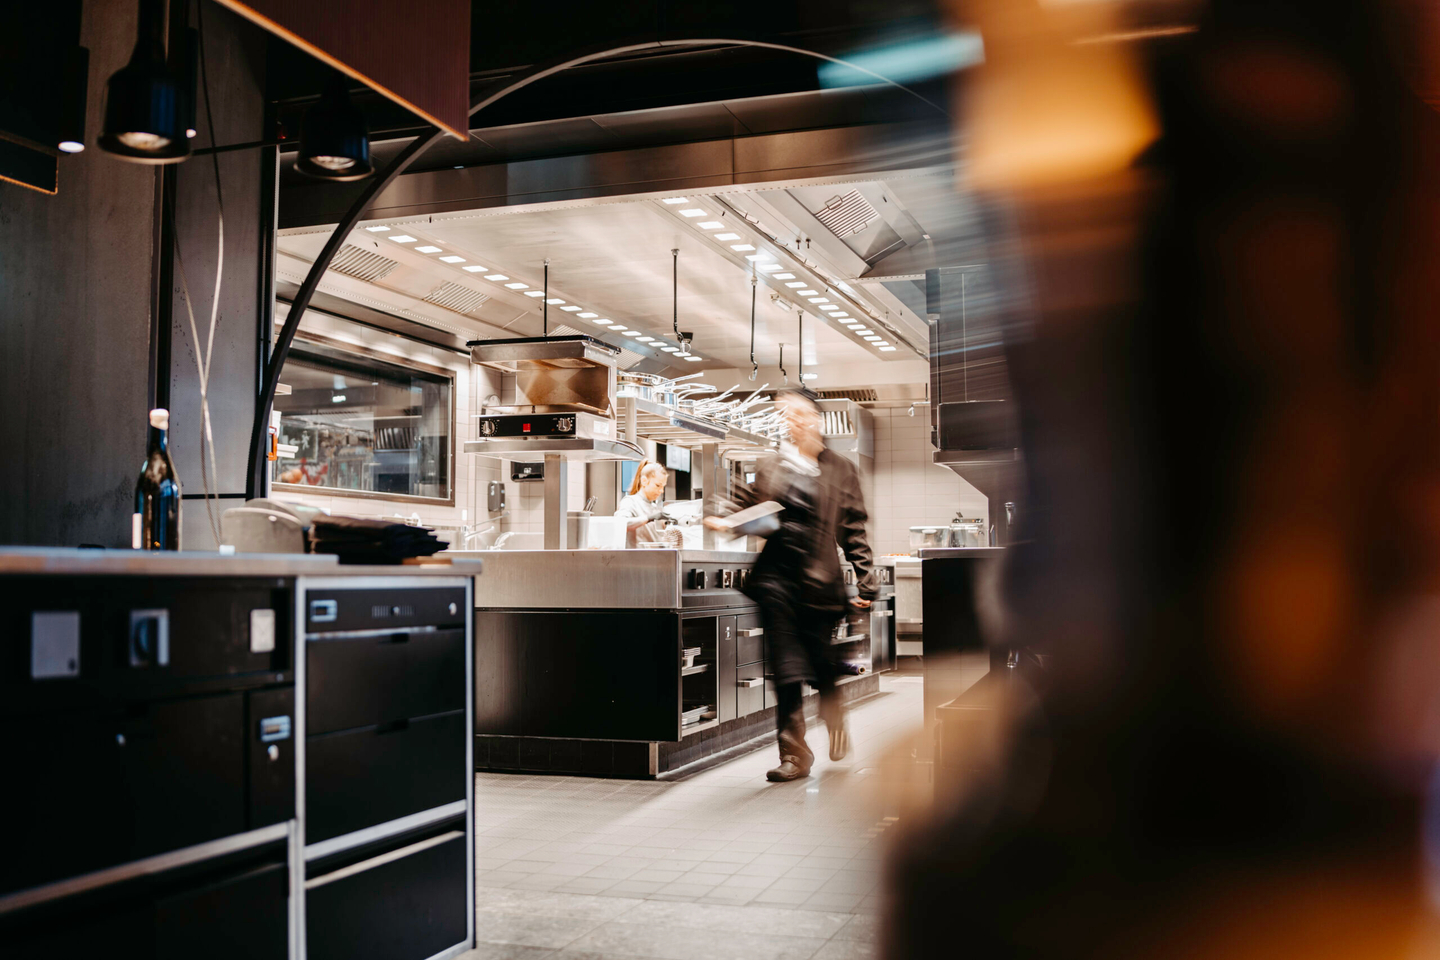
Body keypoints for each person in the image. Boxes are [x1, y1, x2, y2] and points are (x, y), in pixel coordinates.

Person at [706, 389, 876, 782]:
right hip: (776, 580)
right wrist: (726, 516)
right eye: (786, 415)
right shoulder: (772, 465)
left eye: (798, 414)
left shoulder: (840, 469)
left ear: (816, 418)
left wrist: (866, 582)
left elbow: (853, 530)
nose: (791, 421)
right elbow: (747, 501)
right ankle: (795, 756)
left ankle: (834, 716)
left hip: (819, 584)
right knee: (784, 668)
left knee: (819, 664)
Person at [615, 460, 668, 547]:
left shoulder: (655, 507)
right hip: (635, 559)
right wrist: (648, 518)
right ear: (644, 481)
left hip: (655, 558)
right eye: (658, 485)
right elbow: (620, 524)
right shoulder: (630, 502)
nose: (661, 491)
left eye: (663, 487)